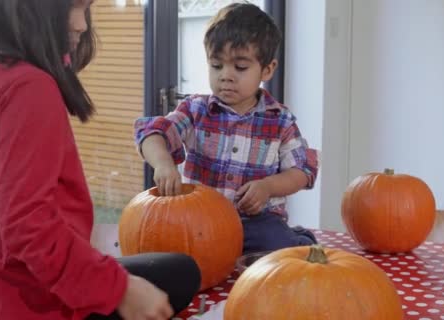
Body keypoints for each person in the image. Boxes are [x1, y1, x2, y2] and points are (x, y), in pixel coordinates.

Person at [0, 0, 200, 319]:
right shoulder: (28, 87)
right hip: (31, 302)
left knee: (181, 271)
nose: (82, 25)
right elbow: (28, 227)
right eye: (74, 7)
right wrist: (121, 290)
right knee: (177, 278)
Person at [134, 3, 320, 255]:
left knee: (277, 248)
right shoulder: (196, 109)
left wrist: (267, 187)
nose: (226, 76)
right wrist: (163, 163)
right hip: (200, 222)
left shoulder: (281, 120)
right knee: (175, 254)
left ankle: (298, 240)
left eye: (240, 68)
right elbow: (152, 133)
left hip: (256, 223)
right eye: (216, 65)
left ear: (267, 69)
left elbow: (302, 171)